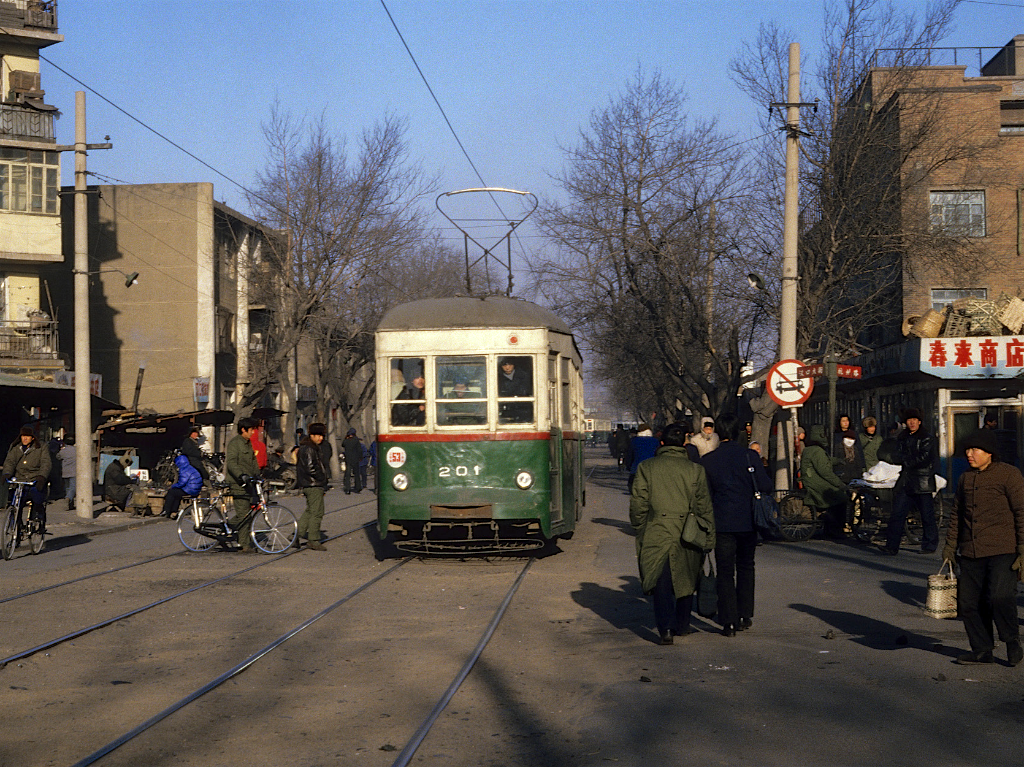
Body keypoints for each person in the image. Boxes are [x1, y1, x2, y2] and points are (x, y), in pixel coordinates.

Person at [942, 429, 1024, 666]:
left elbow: (1021, 511)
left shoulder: (1009, 475)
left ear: (989, 453)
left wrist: (1022, 548)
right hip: (970, 551)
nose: (969, 454)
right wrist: (950, 546)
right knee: (969, 603)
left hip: (1003, 549)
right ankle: (981, 650)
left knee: (1000, 597)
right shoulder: (965, 478)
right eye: (967, 450)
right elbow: (957, 514)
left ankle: (1011, 642)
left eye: (975, 450)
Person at [629, 423, 715, 645]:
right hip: (688, 531)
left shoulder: (646, 468)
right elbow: (704, 506)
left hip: (656, 531)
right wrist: (709, 535)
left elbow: (639, 502)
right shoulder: (695, 470)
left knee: (661, 579)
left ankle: (665, 628)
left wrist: (639, 526)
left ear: (662, 443)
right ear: (684, 444)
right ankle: (683, 624)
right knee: (686, 577)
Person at [701, 413, 772, 636]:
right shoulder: (750, 456)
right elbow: (766, 485)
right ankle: (744, 614)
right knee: (746, 566)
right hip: (748, 520)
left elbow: (705, 494)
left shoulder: (709, 460)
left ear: (719, 433)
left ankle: (728, 621)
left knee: (725, 571)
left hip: (722, 521)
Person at [880, 408, 939, 555]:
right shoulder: (902, 437)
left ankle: (929, 545)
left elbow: (924, 457)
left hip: (922, 481)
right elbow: (896, 454)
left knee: (927, 515)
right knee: (897, 514)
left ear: (920, 421)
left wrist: (905, 461)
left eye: (914, 420)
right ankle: (891, 546)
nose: (912, 423)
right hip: (906, 481)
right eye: (909, 420)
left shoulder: (927, 437)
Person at [800, 425, 848, 538]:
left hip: (811, 480)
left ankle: (830, 528)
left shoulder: (810, 449)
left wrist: (837, 461)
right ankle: (836, 528)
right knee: (840, 498)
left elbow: (823, 461)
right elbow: (825, 471)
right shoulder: (817, 451)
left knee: (833, 499)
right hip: (816, 482)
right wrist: (839, 484)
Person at [2, 426, 52, 533]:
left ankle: (38, 515)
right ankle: (17, 525)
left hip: (34, 479)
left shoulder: (41, 447)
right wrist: (7, 473)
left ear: (33, 438)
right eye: (23, 436)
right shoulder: (16, 448)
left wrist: (42, 477)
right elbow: (10, 462)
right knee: (14, 501)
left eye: (28, 436)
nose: (25, 439)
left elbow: (46, 463)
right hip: (19, 479)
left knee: (36, 494)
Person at [225, 417, 261, 552]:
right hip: (238, 484)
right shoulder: (235, 443)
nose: (253, 432)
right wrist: (241, 475)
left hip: (249, 483)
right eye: (251, 430)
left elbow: (253, 462)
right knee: (243, 514)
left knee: (248, 513)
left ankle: (243, 540)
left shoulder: (247, 443)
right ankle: (242, 542)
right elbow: (232, 463)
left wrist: (257, 475)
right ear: (243, 430)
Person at [294, 423, 329, 550]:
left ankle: (296, 535)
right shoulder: (309, 448)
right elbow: (310, 467)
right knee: (317, 512)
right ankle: (313, 539)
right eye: (318, 435)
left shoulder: (307, 447)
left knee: (309, 511)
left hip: (309, 484)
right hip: (313, 484)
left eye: (322, 436)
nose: (321, 438)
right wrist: (322, 478)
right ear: (311, 435)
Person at [161, 453, 202, 520]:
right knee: (177, 494)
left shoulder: (183, 470)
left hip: (190, 490)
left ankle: (166, 510)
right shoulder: (190, 468)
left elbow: (182, 483)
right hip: (196, 489)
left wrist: (173, 486)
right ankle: (174, 511)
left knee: (171, 492)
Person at [497, 358, 533, 422]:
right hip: (505, 406)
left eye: (510, 365)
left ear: (514, 365)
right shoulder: (497, 377)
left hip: (523, 407)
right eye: (504, 366)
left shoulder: (524, 376)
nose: (507, 368)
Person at [832, 414, 865, 483]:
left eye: (847, 420)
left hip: (854, 467)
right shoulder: (835, 435)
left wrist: (862, 466)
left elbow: (859, 450)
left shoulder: (854, 433)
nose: (846, 423)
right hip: (842, 467)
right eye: (843, 421)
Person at [627, 423, 660, 493]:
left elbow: (630, 456)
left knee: (634, 487)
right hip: (652, 469)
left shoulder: (634, 441)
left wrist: (629, 466)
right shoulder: (655, 441)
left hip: (637, 468)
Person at [57, 436, 76, 510]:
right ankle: (68, 499)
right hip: (74, 471)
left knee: (67, 488)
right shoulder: (76, 450)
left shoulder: (63, 451)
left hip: (65, 472)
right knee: (73, 487)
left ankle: (70, 505)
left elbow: (58, 457)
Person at [342, 427, 363, 494]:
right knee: (356, 474)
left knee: (347, 475)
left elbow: (342, 444)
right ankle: (358, 487)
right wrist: (360, 457)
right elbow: (359, 450)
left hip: (348, 459)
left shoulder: (346, 441)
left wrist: (346, 438)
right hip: (355, 459)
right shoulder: (356, 440)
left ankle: (347, 489)